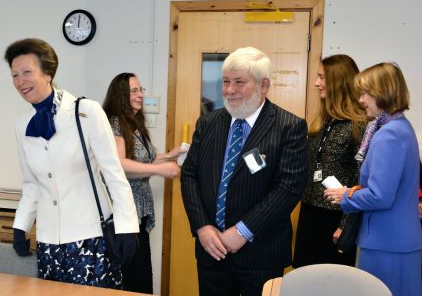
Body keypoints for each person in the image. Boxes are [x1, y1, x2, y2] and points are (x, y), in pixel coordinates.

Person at [5, 38, 139, 289]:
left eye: (26, 72)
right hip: (48, 242)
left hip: (90, 239)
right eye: (14, 74)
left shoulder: (86, 112)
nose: (20, 81)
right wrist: (21, 225)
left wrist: (127, 226)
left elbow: (113, 174)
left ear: (48, 73)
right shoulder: (22, 124)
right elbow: (31, 183)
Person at [180, 46, 308, 296]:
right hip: (211, 250)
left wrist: (242, 231)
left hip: (261, 252)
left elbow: (289, 188)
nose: (229, 90)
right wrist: (202, 227)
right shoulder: (208, 122)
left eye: (239, 82)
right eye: (226, 81)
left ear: (264, 85)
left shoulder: (288, 127)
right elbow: (189, 176)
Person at [324, 62, 422, 296]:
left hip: (387, 244)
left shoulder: (388, 135)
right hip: (395, 241)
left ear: (383, 93)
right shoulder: (400, 127)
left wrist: (345, 194)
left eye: (365, 93)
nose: (361, 100)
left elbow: (380, 196)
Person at [102, 72, 185, 293]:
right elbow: (119, 166)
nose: (141, 95)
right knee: (132, 278)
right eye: (135, 91)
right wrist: (160, 170)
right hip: (124, 213)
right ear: (121, 95)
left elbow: (142, 159)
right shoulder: (114, 124)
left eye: (141, 90)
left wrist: (170, 155)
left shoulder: (134, 124)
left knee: (140, 274)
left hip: (139, 212)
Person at [293, 55, 367, 268]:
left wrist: (345, 224)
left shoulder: (359, 126)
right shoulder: (323, 122)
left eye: (322, 77)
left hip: (336, 217)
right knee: (305, 276)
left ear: (339, 81)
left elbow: (360, 178)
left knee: (333, 282)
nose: (317, 83)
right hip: (310, 212)